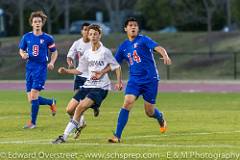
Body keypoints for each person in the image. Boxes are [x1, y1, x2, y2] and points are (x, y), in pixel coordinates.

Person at [52, 24, 122, 144]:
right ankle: (90, 110)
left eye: (95, 34)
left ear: (100, 35)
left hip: (100, 88)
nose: (93, 36)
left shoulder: (105, 52)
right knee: (69, 109)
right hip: (87, 86)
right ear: (88, 36)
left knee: (79, 108)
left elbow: (116, 66)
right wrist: (66, 71)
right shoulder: (88, 53)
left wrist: (119, 81)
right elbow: (80, 70)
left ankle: (63, 136)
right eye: (90, 34)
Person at [108, 17, 172, 143]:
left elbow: (158, 47)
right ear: (125, 28)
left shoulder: (144, 40)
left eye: (135, 25)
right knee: (127, 102)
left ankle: (160, 117)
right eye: (130, 25)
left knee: (149, 112)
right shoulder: (123, 46)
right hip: (134, 81)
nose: (133, 27)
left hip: (150, 80)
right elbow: (115, 64)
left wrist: (165, 55)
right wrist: (118, 80)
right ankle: (117, 136)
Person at [18, 11, 58, 129]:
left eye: (39, 22)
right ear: (32, 23)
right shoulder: (26, 37)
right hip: (29, 68)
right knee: (31, 99)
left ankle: (32, 123)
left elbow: (54, 52)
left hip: (40, 69)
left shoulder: (47, 38)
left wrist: (51, 62)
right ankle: (51, 102)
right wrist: (23, 54)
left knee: (34, 95)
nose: (37, 23)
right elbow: (21, 50)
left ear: (42, 23)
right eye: (35, 21)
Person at [66, 22, 91, 137]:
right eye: (85, 29)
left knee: (80, 105)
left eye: (88, 30)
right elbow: (69, 56)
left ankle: (78, 123)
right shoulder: (77, 43)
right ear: (81, 31)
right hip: (79, 77)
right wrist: (70, 63)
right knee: (72, 107)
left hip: (90, 79)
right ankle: (80, 123)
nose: (87, 32)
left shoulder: (95, 44)